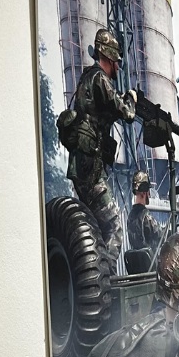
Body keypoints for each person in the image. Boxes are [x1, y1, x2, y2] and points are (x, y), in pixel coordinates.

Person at [56, 28, 136, 272]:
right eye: (116, 61)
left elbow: (102, 112)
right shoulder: (100, 79)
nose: (118, 67)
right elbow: (127, 114)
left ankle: (95, 279)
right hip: (91, 170)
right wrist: (131, 99)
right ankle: (106, 281)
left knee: (98, 229)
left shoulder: (86, 80)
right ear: (109, 57)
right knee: (114, 227)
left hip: (82, 168)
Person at [127, 169, 162, 257]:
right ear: (144, 192)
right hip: (150, 263)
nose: (149, 195)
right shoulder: (146, 217)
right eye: (148, 192)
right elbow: (160, 235)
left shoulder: (130, 216)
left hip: (136, 264)